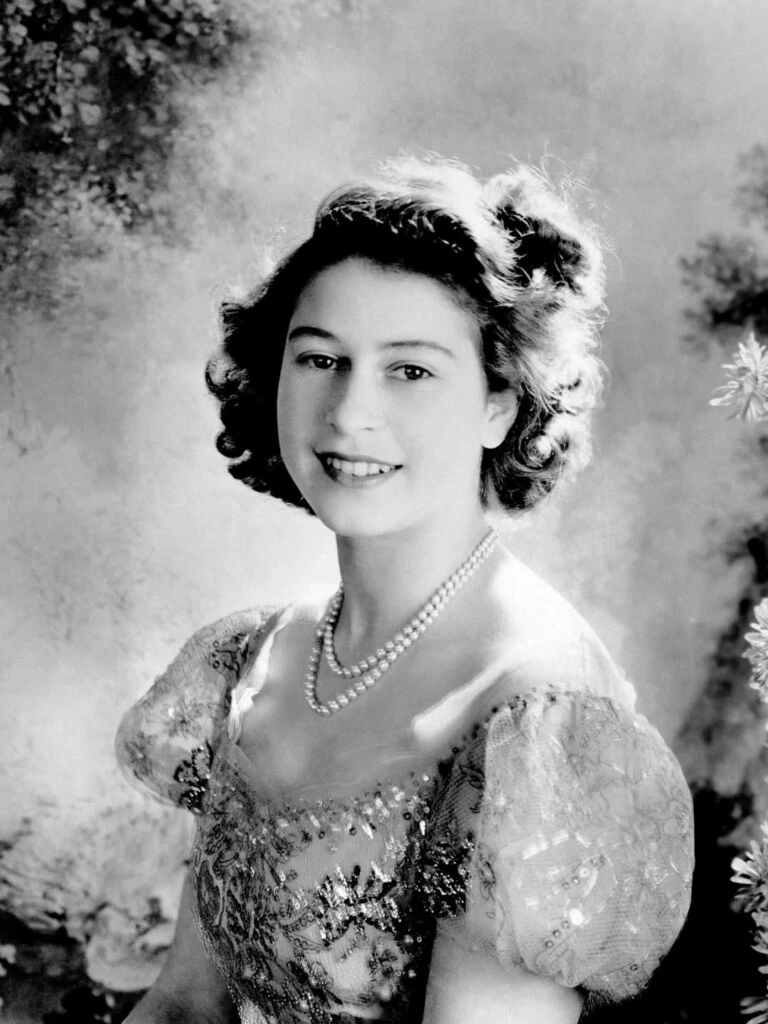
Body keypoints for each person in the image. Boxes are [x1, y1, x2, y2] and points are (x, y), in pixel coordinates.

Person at [117, 156, 694, 1024]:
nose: (350, 411)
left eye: (410, 370)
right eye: (321, 358)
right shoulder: (254, 660)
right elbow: (184, 1006)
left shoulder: (536, 715)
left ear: (501, 402)